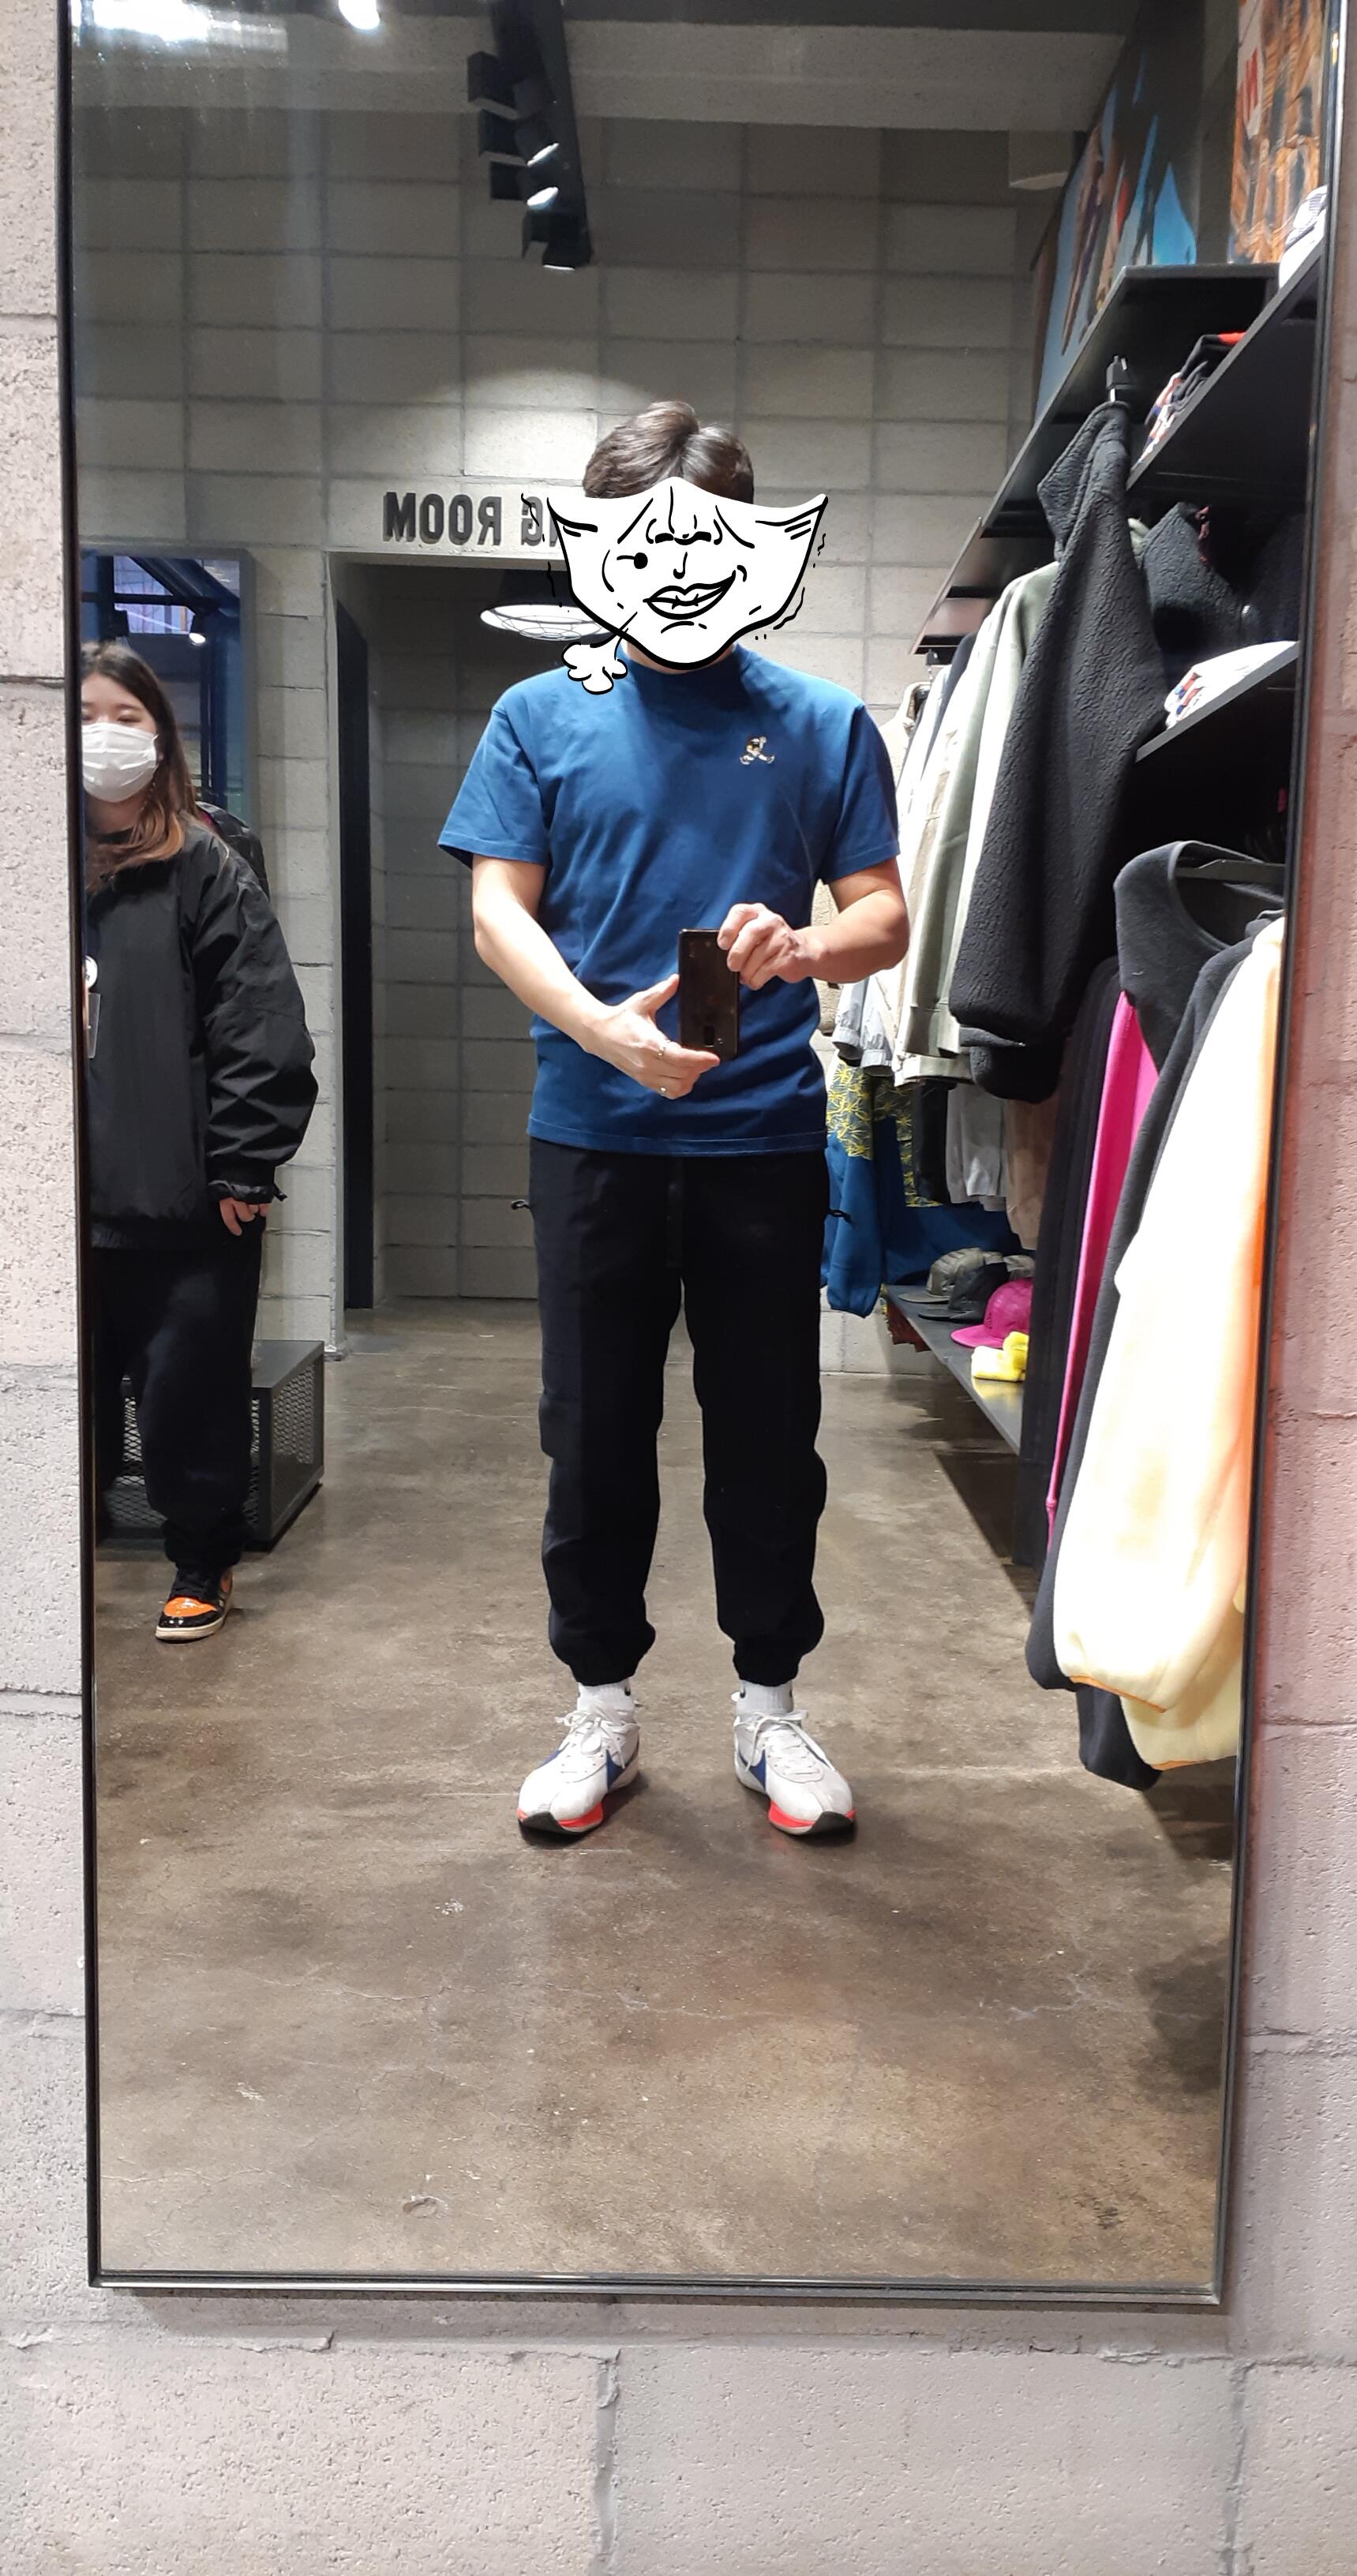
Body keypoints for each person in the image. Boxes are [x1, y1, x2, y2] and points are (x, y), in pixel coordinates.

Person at [440, 402, 908, 1843]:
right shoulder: (538, 716)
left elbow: (885, 916)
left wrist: (808, 946)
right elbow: (496, 909)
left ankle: (771, 1707)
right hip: (594, 1135)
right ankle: (601, 1708)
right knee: (592, 1434)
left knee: (769, 1432)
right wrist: (601, 1030)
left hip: (762, 1139)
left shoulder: (820, 721)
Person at [82, 642, 317, 1639]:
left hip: (184, 1194)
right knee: (61, 1395)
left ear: (161, 736)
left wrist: (245, 1163)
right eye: (85, 714)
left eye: (127, 717)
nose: (105, 736)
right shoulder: (35, 864)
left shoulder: (203, 864)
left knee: (187, 1391)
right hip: (59, 1197)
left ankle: (200, 1558)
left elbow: (257, 1018)